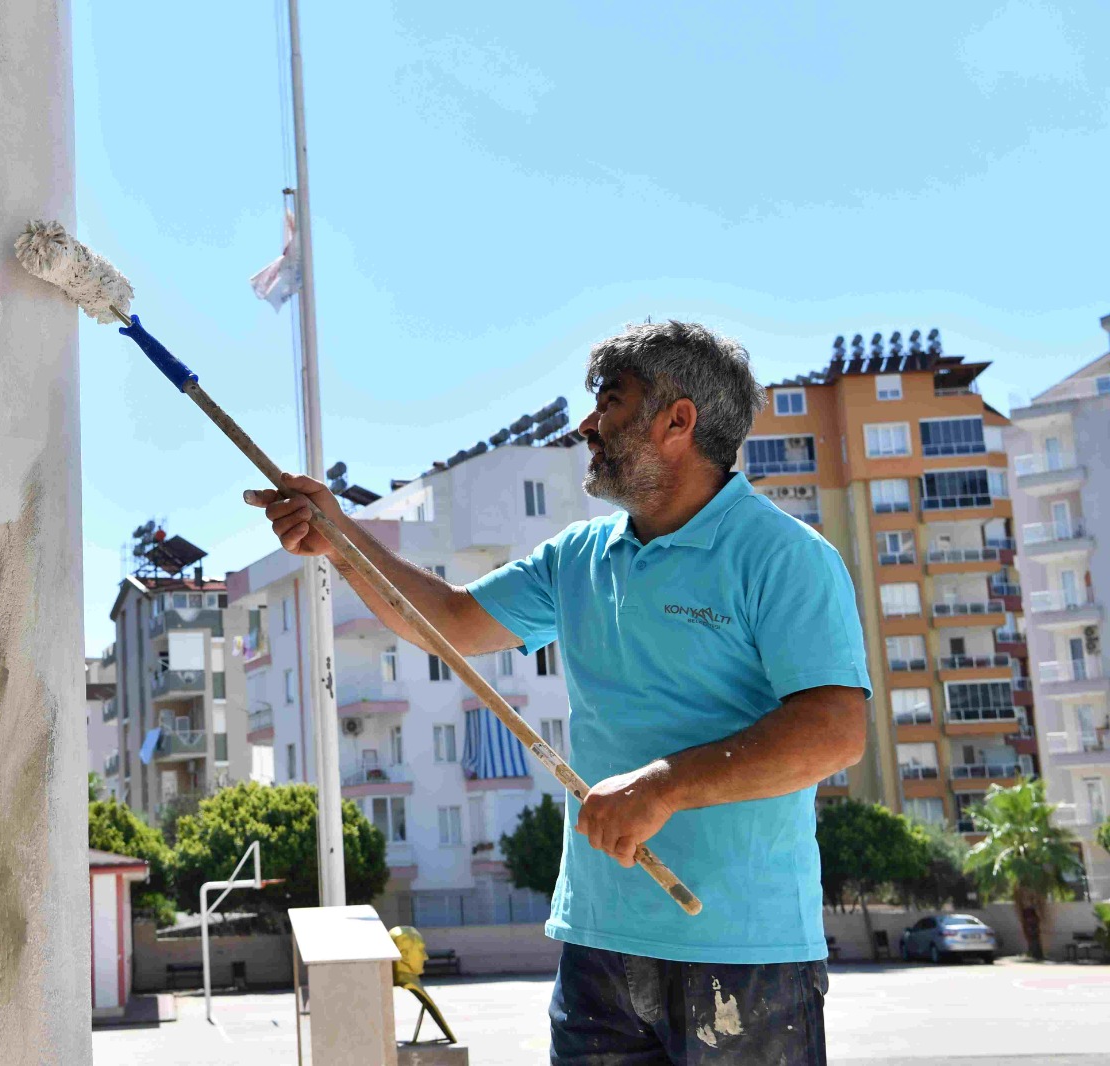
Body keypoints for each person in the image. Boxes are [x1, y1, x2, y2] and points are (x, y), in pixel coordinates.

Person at [248, 321, 868, 1064]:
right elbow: (448, 620)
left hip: (745, 950)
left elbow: (834, 731)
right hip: (598, 944)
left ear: (679, 420)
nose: (587, 424)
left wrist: (664, 786)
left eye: (611, 401)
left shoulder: (786, 557)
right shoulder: (579, 556)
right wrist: (338, 540)